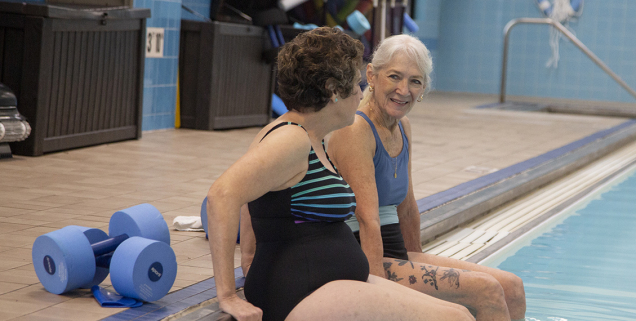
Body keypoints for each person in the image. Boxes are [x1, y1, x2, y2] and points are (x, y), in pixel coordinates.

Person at [206, 27, 474, 321]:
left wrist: (249, 256)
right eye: (357, 84)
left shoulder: (313, 137)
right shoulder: (291, 139)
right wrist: (229, 294)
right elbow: (223, 195)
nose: (362, 92)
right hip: (298, 289)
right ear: (334, 91)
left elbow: (254, 196)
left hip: (322, 283)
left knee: (459, 312)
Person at [326, 34, 527, 321]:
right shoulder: (357, 130)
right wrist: (378, 293)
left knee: (512, 287)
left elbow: (407, 209)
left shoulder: (402, 127)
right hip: (361, 256)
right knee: (486, 290)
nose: (403, 90)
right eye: (394, 76)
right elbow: (368, 220)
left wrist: (418, 265)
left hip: (396, 252)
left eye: (415, 81)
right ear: (372, 75)